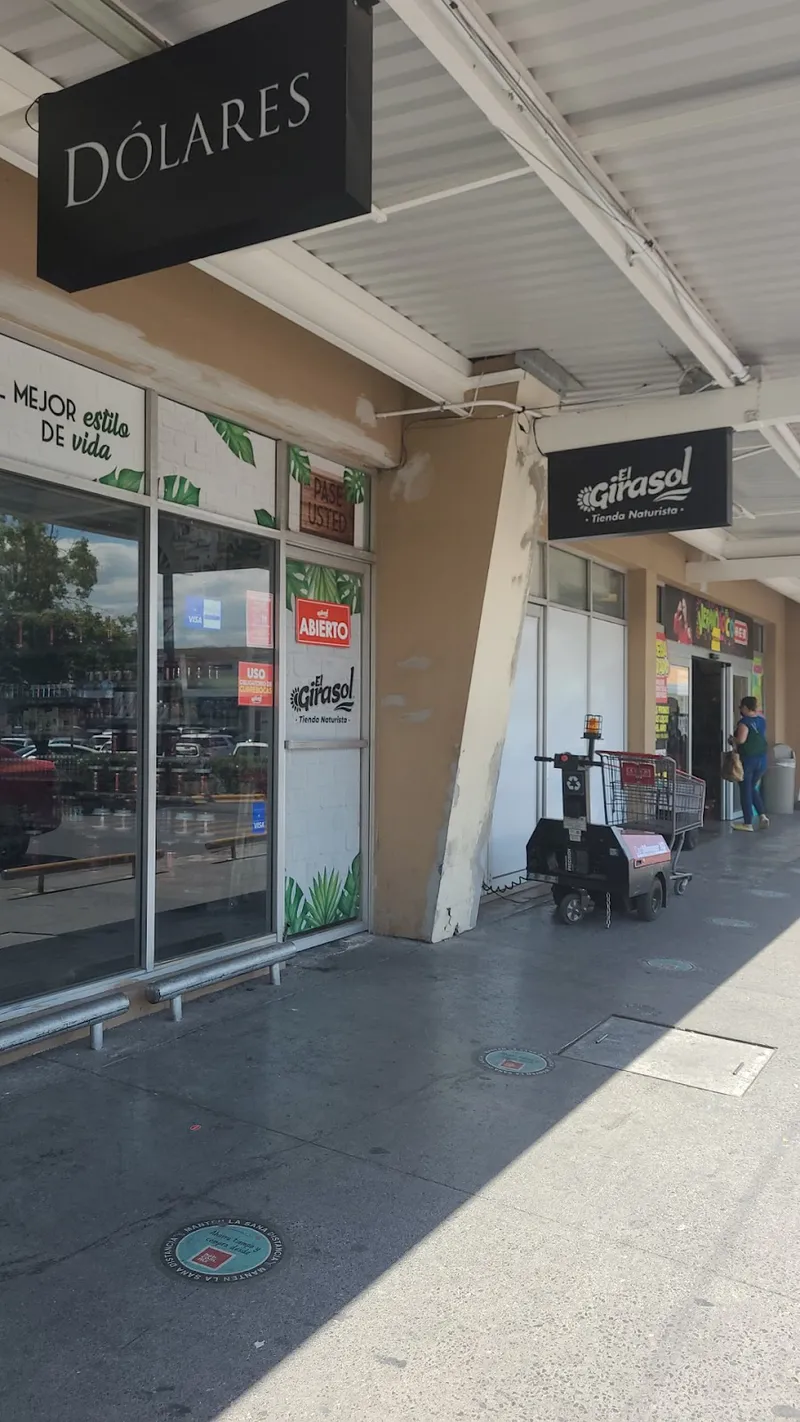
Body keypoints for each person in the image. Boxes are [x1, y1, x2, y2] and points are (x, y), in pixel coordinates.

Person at [731, 696, 769, 832]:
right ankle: (762, 815)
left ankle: (747, 823)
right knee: (751, 787)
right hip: (762, 759)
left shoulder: (744, 722)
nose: (740, 710)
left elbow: (741, 740)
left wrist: (732, 739)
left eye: (741, 707)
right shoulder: (761, 720)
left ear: (746, 708)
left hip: (748, 760)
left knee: (745, 790)